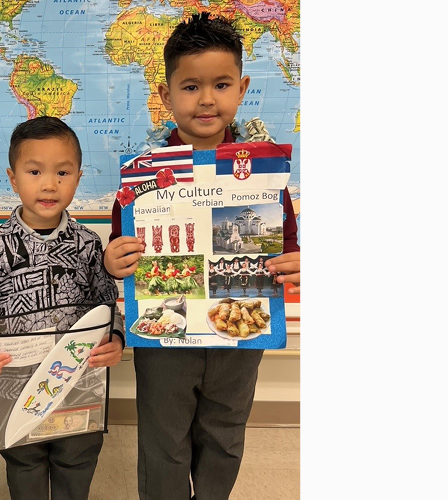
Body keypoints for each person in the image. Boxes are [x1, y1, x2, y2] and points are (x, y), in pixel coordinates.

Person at [101, 13, 301, 500]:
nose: (207, 99)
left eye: (221, 84)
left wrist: (295, 259)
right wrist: (115, 262)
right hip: (165, 335)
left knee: (225, 434)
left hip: (241, 333)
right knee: (163, 440)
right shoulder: (141, 181)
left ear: (242, 88)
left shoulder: (262, 180)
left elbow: (286, 244)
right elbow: (120, 252)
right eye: (190, 86)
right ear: (166, 96)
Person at [0, 116, 126, 500]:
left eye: (63, 172)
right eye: (34, 171)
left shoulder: (88, 243)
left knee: (76, 463)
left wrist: (116, 336)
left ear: (78, 176)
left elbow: (107, 302)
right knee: (24, 464)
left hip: (79, 385)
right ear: (13, 178)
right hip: (18, 386)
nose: (49, 184)